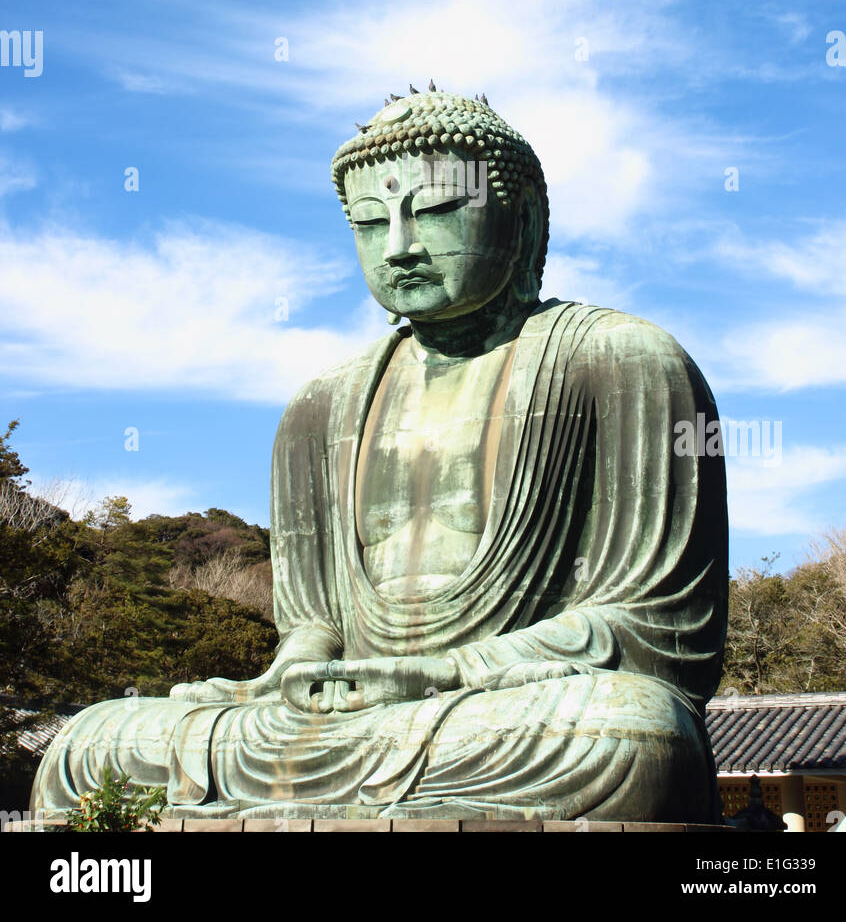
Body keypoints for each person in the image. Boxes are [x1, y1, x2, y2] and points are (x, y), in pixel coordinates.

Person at [33, 89, 728, 822]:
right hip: (349, 721)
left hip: (510, 709)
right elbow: (313, 625)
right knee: (90, 745)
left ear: (519, 219)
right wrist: (299, 674)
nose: (399, 246)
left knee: (630, 733)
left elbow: (659, 630)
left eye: (431, 213)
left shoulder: (623, 361)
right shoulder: (319, 406)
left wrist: (445, 672)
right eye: (370, 223)